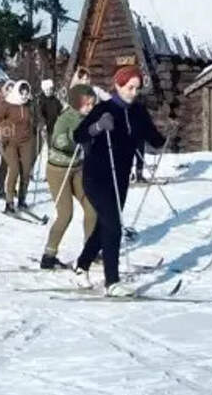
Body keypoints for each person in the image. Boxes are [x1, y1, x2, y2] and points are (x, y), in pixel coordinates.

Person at [72, 65, 168, 296]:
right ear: (118, 85)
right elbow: (78, 135)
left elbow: (154, 140)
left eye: (137, 88)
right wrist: (98, 126)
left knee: (105, 225)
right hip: (96, 176)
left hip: (120, 178)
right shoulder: (103, 109)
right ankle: (112, 282)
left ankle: (82, 265)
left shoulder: (139, 112)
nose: (134, 92)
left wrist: (168, 133)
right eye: (129, 87)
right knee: (114, 225)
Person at [40, 83, 98, 269]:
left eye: (92, 104)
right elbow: (58, 141)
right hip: (58, 170)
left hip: (77, 168)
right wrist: (76, 138)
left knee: (92, 208)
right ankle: (49, 256)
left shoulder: (89, 117)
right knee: (66, 214)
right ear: (76, 103)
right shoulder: (65, 118)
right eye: (87, 104)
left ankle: (90, 250)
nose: (90, 107)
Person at [0, 79, 36, 215]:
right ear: (17, 91)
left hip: (25, 141)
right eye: (22, 92)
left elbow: (35, 117)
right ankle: (9, 202)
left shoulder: (29, 104)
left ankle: (22, 199)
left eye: (26, 92)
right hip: (9, 141)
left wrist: (39, 125)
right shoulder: (7, 103)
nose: (24, 95)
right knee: (14, 169)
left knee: (26, 171)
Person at [37, 78, 62, 147]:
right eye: (47, 90)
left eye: (50, 89)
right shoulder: (41, 100)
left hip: (53, 125)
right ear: (44, 90)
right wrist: (43, 123)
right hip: (45, 126)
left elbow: (60, 110)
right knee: (44, 145)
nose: (49, 91)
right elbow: (39, 113)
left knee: (52, 144)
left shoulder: (55, 100)